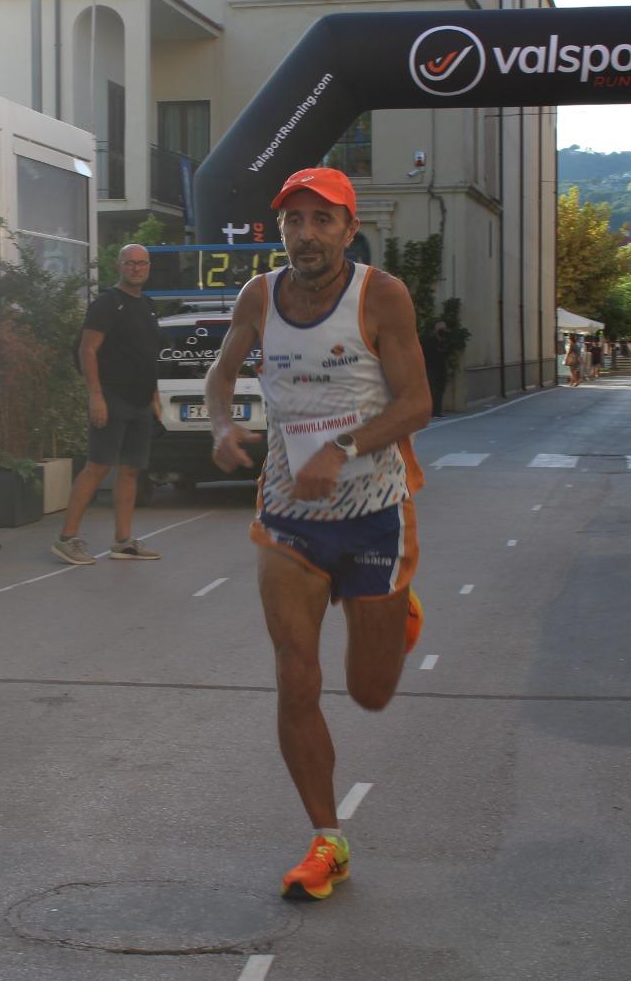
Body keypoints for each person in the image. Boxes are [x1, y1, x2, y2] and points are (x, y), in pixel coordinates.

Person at [205, 167, 429, 903]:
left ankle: (400, 607)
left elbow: (418, 403)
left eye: (321, 220)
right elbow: (221, 372)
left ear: (347, 228)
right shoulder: (259, 295)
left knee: (369, 692)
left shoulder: (381, 295)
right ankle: (326, 840)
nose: (305, 234)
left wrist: (345, 449)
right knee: (295, 677)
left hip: (372, 512)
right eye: (293, 220)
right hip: (289, 517)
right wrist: (219, 424)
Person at [51, 244, 163, 565]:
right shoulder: (106, 304)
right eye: (130, 263)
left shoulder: (149, 306)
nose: (136, 269)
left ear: (148, 267)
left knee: (130, 471)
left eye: (142, 264)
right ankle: (67, 539)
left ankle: (123, 541)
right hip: (111, 399)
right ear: (120, 266)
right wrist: (96, 396)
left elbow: (146, 355)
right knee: (97, 466)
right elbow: (88, 351)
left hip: (140, 402)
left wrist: (154, 397)